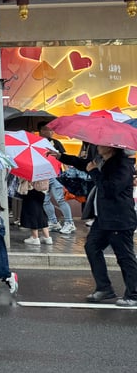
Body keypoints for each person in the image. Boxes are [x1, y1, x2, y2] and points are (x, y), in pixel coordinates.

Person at [82, 144, 137, 306]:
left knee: (125, 257)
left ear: (111, 148)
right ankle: (104, 288)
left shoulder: (123, 166)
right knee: (92, 247)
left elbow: (110, 189)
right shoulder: (105, 161)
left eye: (101, 144)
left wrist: (93, 172)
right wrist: (61, 157)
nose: (97, 147)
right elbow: (83, 163)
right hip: (103, 219)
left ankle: (133, 294)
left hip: (119, 220)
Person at [36, 121, 77, 235]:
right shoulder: (36, 142)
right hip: (42, 175)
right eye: (48, 129)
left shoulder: (56, 143)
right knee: (45, 200)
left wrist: (68, 173)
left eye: (52, 130)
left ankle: (69, 223)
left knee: (60, 199)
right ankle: (53, 222)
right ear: (41, 131)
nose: (51, 132)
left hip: (56, 174)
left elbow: (64, 158)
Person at [19, 179, 52, 246]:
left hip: (31, 188)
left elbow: (23, 178)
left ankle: (35, 238)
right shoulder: (44, 169)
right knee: (40, 211)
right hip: (42, 188)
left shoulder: (30, 169)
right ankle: (47, 237)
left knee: (32, 212)